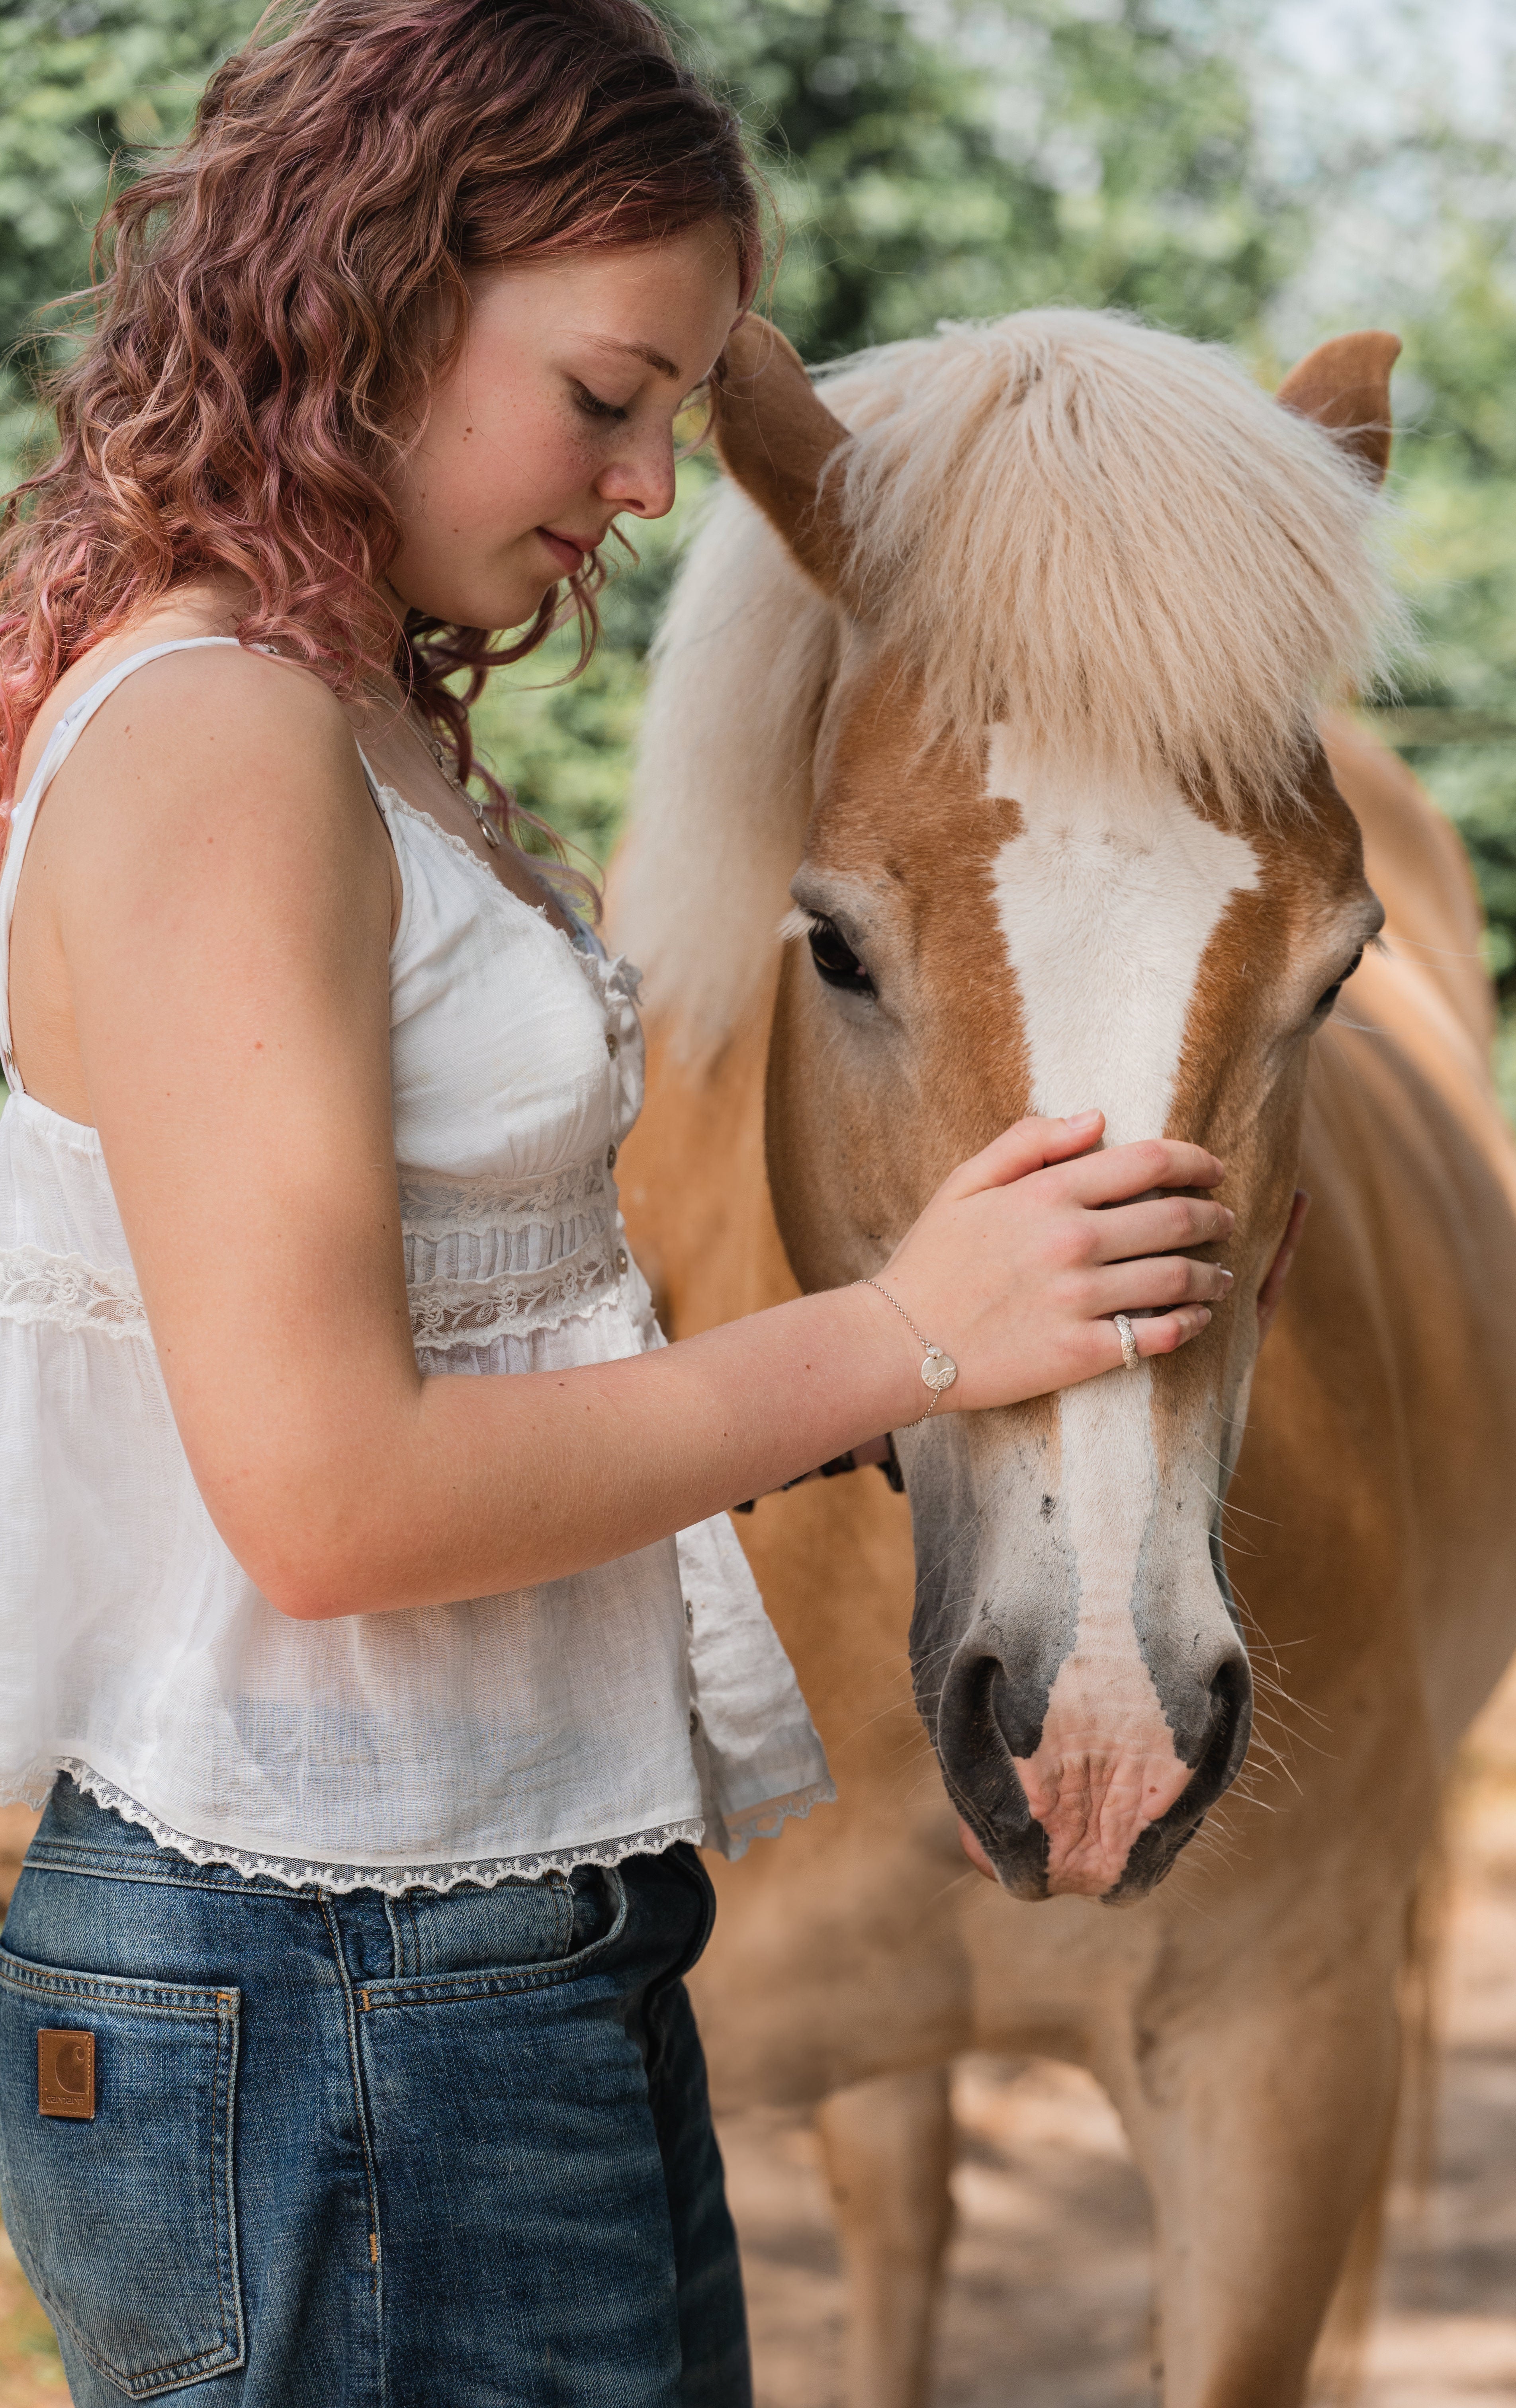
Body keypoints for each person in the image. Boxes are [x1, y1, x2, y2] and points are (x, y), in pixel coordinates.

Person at [0, 0, 1234, 2396]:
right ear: (377, 299)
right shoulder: (223, 741)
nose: (655, 484)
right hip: (331, 1984)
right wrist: (917, 1333)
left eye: (675, 410)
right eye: (605, 394)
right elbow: (333, 1504)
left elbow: (489, 1335)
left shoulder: (338, 720)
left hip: (460, 1951)